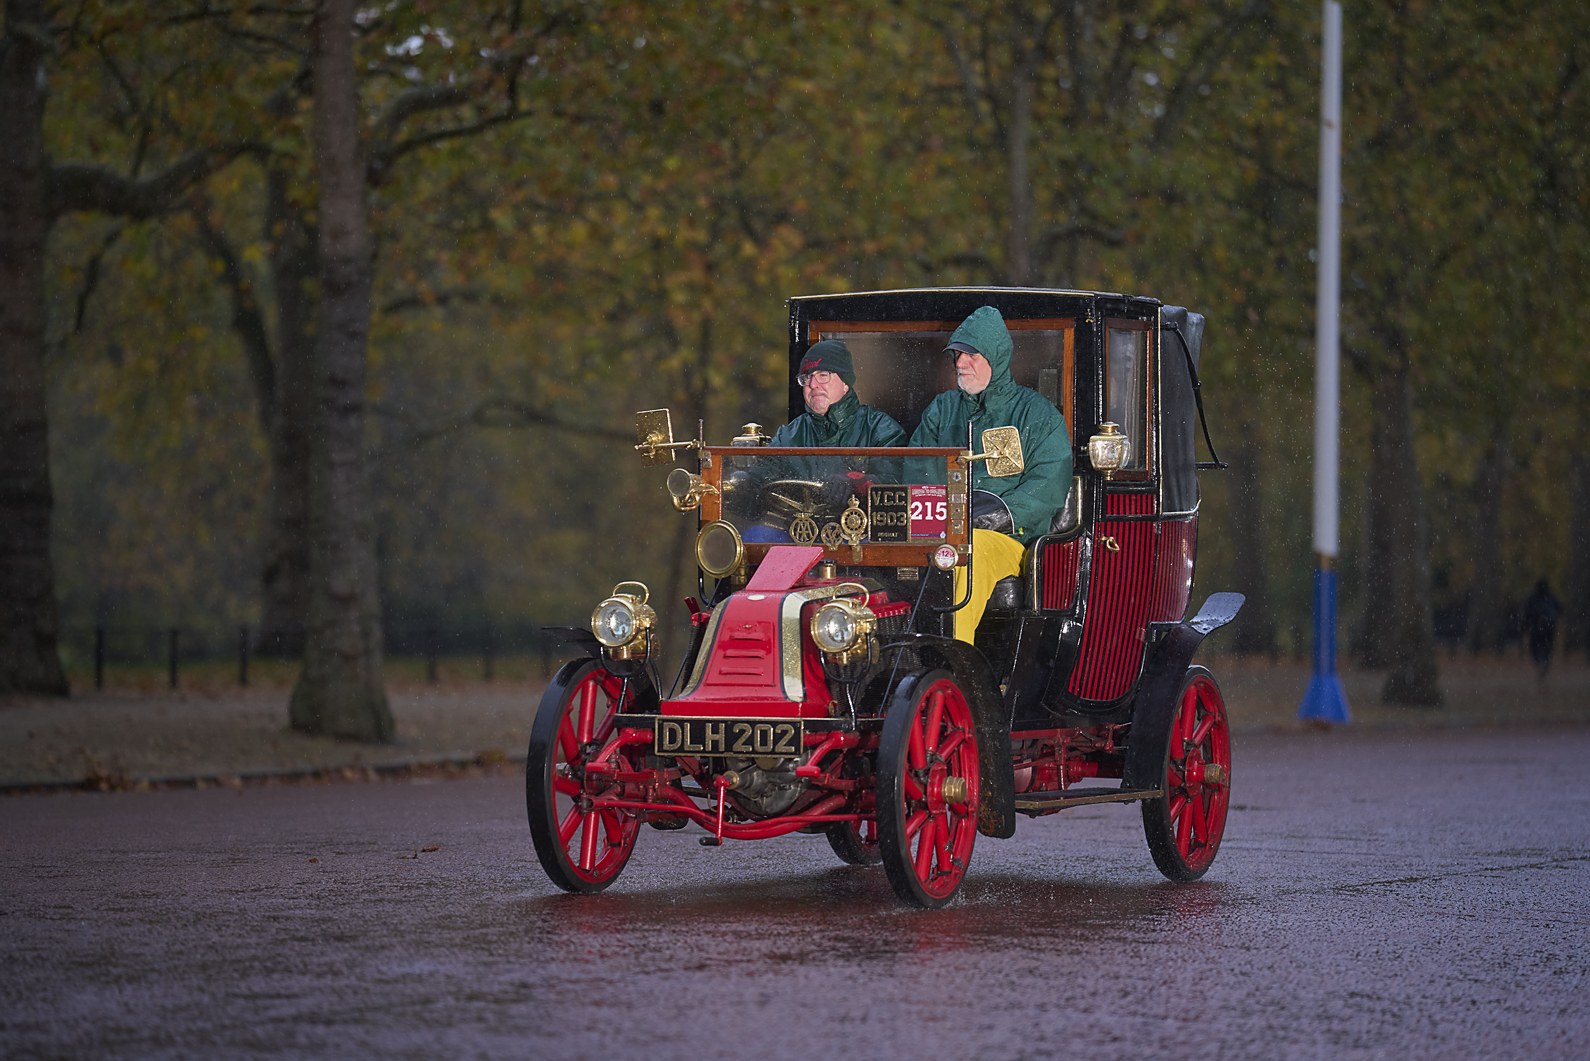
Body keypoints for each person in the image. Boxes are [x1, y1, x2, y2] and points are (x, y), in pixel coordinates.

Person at [909, 306, 1071, 643]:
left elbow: (1048, 488)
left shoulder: (1038, 415)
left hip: (1007, 540)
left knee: (973, 548)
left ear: (996, 358)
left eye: (972, 355)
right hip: (939, 530)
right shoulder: (942, 410)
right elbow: (917, 467)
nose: (960, 363)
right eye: (957, 354)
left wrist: (998, 516)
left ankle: (953, 657)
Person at [739, 339, 906, 542]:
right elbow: (762, 481)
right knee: (753, 539)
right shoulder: (788, 435)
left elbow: (898, 485)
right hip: (799, 535)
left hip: (857, 535)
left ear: (845, 383)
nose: (813, 384)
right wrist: (743, 484)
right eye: (807, 378)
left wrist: (856, 483)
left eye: (823, 376)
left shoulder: (881, 429)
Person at [1523, 578, 1562, 680]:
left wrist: (1525, 627)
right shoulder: (1551, 599)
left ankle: (1539, 664)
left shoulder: (1532, 600)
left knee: (1535, 648)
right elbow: (1560, 611)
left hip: (1535, 628)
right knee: (1547, 648)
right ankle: (1545, 665)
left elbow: (1527, 614)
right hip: (1549, 628)